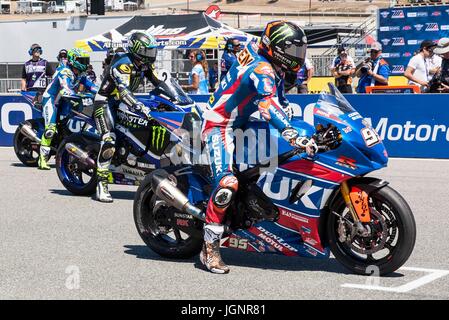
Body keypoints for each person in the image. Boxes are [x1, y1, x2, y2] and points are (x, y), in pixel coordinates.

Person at [200, 21, 317, 274]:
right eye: (294, 51)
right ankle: (209, 247)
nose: (299, 57)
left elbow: (278, 98)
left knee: (277, 159)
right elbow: (268, 106)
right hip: (220, 125)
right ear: (276, 49)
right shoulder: (263, 69)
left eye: (301, 51)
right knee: (227, 184)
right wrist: (292, 134)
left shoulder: (265, 56)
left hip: (243, 121)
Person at [94, 31, 167, 202]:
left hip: (122, 103)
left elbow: (161, 83)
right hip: (105, 102)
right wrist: (139, 106)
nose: (152, 55)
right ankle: (101, 184)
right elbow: (124, 91)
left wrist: (179, 97)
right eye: (148, 51)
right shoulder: (123, 64)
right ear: (137, 50)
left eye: (152, 51)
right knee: (109, 139)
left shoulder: (145, 65)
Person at [38, 48, 97, 170]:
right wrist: (84, 95)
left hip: (64, 99)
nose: (85, 63)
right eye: (82, 60)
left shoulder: (81, 74)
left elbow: (93, 87)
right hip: (52, 99)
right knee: (50, 129)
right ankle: (42, 159)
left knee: (65, 126)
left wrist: (103, 92)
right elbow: (65, 88)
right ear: (73, 60)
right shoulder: (65, 72)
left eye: (86, 60)